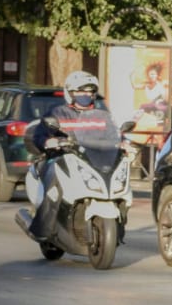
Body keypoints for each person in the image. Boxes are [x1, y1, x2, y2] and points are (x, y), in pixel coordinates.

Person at [24, 71, 121, 241]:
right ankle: (42, 229)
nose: (86, 95)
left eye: (90, 92)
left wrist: (125, 143)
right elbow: (40, 135)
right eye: (81, 92)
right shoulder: (57, 113)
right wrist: (49, 142)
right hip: (63, 158)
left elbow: (115, 135)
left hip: (93, 161)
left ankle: (117, 227)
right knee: (53, 183)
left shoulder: (103, 117)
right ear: (70, 93)